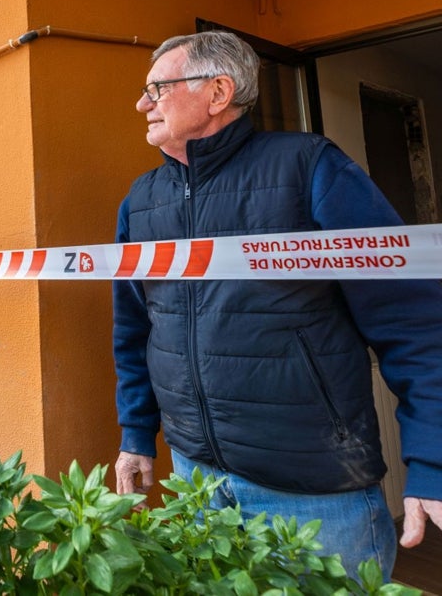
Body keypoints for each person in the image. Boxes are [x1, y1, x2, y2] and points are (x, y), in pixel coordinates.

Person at [112, 30, 442, 579]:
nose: (142, 103)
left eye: (157, 88)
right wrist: (135, 434)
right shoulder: (141, 201)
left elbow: (412, 320)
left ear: (218, 92)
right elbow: (135, 328)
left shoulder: (310, 168)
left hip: (313, 491)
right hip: (195, 479)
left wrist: (433, 461)